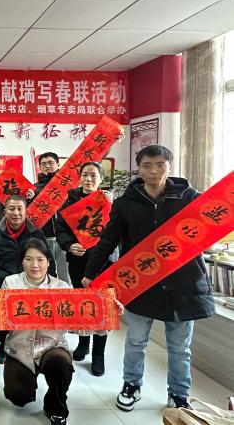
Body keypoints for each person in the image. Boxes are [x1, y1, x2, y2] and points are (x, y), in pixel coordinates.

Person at [82, 145, 215, 412]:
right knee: (135, 341)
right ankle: (131, 385)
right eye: (147, 165)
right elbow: (108, 240)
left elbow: (212, 224)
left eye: (160, 165)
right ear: (139, 169)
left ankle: (179, 394)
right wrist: (89, 274)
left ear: (170, 167)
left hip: (182, 284)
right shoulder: (125, 203)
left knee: (180, 347)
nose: (154, 171)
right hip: (139, 283)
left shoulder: (190, 197)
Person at [0, 238, 74, 425]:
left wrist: (109, 312)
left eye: (40, 259)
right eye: (28, 259)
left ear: (48, 262)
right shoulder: (10, 283)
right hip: (19, 348)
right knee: (17, 396)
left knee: (61, 363)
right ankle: (27, 385)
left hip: (52, 346)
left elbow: (77, 322)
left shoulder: (61, 287)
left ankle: (56, 406)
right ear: (22, 261)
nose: (34, 265)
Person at [56, 161, 116, 376]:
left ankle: (99, 354)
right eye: (85, 175)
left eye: (93, 175)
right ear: (79, 177)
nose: (88, 179)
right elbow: (60, 229)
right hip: (78, 260)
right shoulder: (69, 200)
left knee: (103, 306)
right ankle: (83, 343)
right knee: (82, 302)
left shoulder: (109, 201)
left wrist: (112, 206)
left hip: (104, 262)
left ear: (101, 179)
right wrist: (68, 245)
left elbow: (118, 230)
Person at [0, 195, 54, 364]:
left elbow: (49, 263)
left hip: (30, 285)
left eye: (20, 209)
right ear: (5, 212)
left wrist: (50, 286)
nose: (16, 213)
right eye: (11, 209)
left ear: (26, 212)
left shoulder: (36, 234)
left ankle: (29, 340)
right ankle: (5, 341)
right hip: (1, 285)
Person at [27, 152, 69, 283]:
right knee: (46, 274)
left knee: (65, 274)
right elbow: (28, 213)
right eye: (43, 164)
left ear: (58, 164)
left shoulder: (67, 185)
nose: (47, 166)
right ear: (39, 167)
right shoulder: (33, 188)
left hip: (65, 236)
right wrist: (28, 199)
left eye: (51, 163)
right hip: (43, 236)